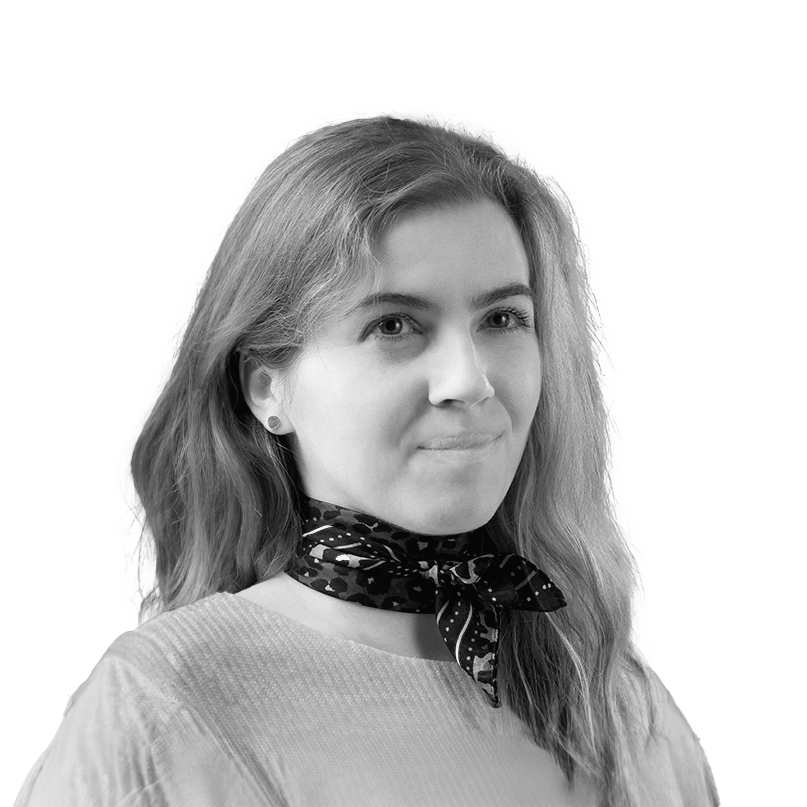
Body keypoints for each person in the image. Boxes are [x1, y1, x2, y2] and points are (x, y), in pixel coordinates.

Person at [15, 104, 721, 807]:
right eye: (393, 325)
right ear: (268, 386)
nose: (470, 380)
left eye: (501, 318)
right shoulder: (161, 708)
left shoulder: (619, 701)